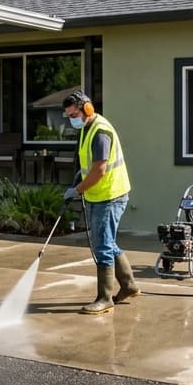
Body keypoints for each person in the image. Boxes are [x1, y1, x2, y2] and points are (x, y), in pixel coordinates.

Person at [61, 91, 138, 314]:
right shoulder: (86, 128)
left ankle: (105, 299)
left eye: (74, 114)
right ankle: (129, 286)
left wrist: (77, 190)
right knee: (107, 242)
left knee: (103, 246)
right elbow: (89, 165)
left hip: (110, 195)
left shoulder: (100, 132)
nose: (72, 119)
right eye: (68, 116)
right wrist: (80, 176)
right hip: (98, 195)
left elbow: (99, 171)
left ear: (87, 109)